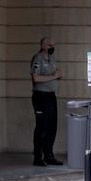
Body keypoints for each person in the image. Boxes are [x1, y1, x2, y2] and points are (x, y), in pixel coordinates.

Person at [30, 37, 63, 166]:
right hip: (40, 97)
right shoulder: (38, 58)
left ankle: (49, 155)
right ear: (43, 45)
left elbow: (53, 75)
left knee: (52, 127)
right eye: (50, 45)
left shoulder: (52, 59)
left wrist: (59, 76)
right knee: (41, 127)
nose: (52, 47)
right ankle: (38, 156)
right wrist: (54, 76)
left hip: (51, 96)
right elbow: (36, 78)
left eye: (53, 45)